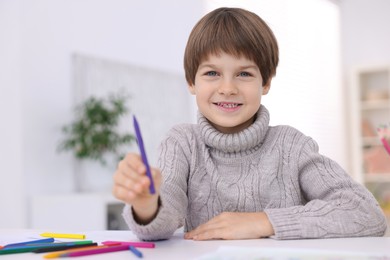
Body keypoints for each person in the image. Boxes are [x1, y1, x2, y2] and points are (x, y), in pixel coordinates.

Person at [112, 7, 387, 241]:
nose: (228, 88)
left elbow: (367, 214)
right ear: (191, 82)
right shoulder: (182, 142)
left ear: (265, 82)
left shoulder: (291, 146)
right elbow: (161, 221)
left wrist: (263, 222)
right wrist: (147, 205)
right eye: (212, 73)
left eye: (244, 73)